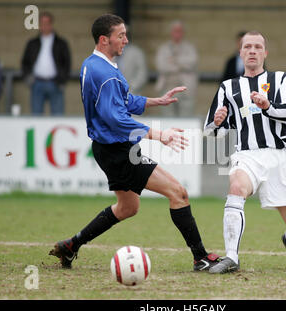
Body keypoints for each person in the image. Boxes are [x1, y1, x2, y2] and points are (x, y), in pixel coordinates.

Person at [49, 14, 220, 272]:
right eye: (121, 35)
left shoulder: (94, 65)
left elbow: (123, 101)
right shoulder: (103, 72)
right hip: (118, 150)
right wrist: (160, 135)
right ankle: (201, 258)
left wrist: (156, 101)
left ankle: (72, 245)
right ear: (104, 39)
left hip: (109, 149)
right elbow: (117, 119)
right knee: (179, 192)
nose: (126, 40)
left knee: (128, 207)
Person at [204, 31, 286, 274]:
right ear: (240, 52)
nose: (252, 51)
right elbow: (210, 131)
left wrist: (268, 107)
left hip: (280, 156)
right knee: (236, 188)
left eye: (257, 47)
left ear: (265, 53)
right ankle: (231, 257)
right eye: (247, 46)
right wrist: (217, 122)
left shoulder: (280, 79)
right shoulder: (228, 87)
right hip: (247, 154)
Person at [21, 12, 71, 115]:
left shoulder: (61, 43)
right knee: (36, 115)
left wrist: (62, 80)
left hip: (55, 83)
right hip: (37, 83)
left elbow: (67, 63)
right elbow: (25, 62)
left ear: (51, 24)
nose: (44, 26)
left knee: (57, 115)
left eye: (47, 23)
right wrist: (28, 77)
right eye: (42, 23)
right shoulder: (32, 43)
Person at [155, 21, 198, 117]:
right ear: (171, 32)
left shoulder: (190, 48)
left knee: (186, 117)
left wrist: (174, 60)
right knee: (168, 117)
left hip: (186, 88)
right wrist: (181, 65)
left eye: (180, 31)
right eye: (175, 31)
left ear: (183, 33)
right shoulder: (164, 48)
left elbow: (191, 63)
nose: (177, 33)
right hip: (167, 87)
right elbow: (161, 66)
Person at [117, 27, 148, 95]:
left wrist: (132, 86)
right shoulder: (111, 52)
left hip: (132, 93)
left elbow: (142, 72)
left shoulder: (136, 52)